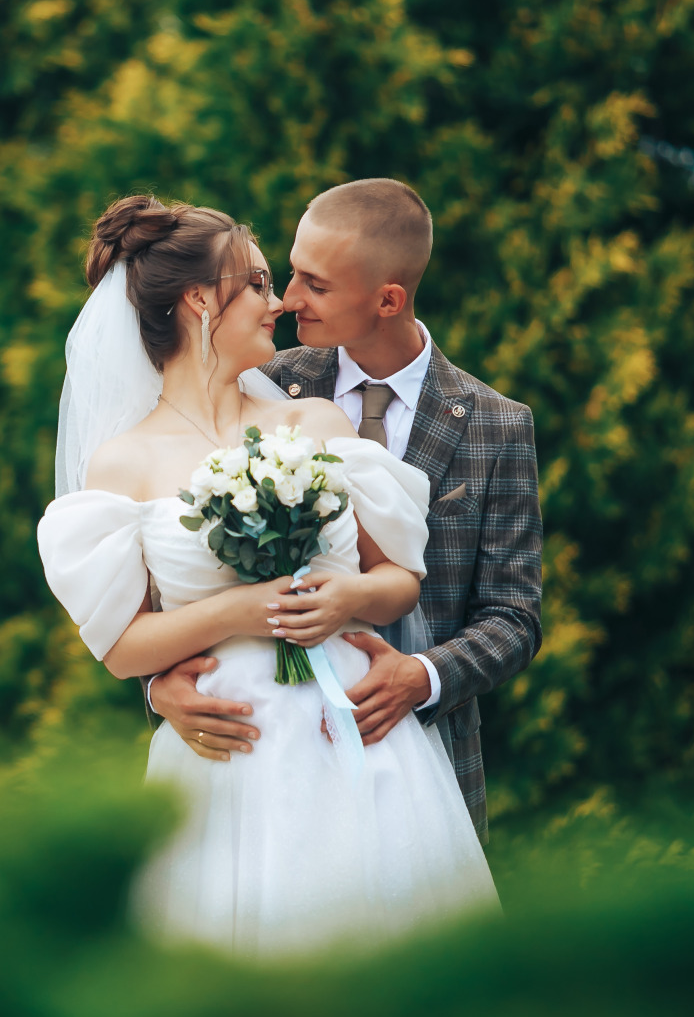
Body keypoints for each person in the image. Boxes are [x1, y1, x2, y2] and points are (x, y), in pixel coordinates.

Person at [38, 195, 497, 958]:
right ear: (196, 300)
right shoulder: (123, 461)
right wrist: (241, 613)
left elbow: (398, 581)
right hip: (228, 756)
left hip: (356, 733)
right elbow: (122, 646)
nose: (278, 302)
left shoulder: (314, 423)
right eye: (255, 283)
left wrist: (349, 598)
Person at [145, 180, 544, 845]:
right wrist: (162, 687)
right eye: (290, 273)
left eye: (315, 284)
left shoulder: (496, 426)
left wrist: (420, 678)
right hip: (257, 761)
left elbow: (514, 613)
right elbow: (176, 564)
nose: (287, 299)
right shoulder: (265, 385)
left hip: (423, 763)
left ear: (388, 298)